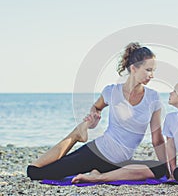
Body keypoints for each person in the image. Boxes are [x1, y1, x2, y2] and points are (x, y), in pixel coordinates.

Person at [27, 42, 168, 183]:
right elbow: (97, 107)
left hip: (120, 164)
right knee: (36, 172)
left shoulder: (153, 98)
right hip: (96, 152)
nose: (152, 75)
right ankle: (77, 134)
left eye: (153, 70)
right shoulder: (111, 92)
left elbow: (157, 139)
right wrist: (93, 118)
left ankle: (98, 176)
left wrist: (168, 170)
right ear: (133, 68)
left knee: (159, 168)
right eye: (148, 70)